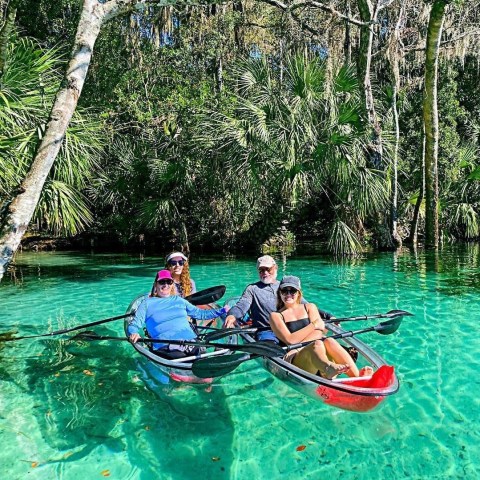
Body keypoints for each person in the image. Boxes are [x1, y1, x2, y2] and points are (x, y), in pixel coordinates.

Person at [270, 275, 373, 379]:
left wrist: (300, 345)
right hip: (295, 359)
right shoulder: (276, 316)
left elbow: (319, 332)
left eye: (292, 291)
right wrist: (313, 325)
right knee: (318, 343)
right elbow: (290, 340)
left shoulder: (310, 307)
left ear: (299, 293)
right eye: (284, 291)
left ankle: (357, 377)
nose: (288, 294)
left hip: (311, 352)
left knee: (329, 340)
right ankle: (328, 369)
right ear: (279, 293)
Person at [128, 270, 227, 359]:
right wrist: (134, 332)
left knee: (200, 352)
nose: (166, 285)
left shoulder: (179, 300)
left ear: (172, 284)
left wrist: (222, 311)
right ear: (155, 284)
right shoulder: (146, 303)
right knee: (189, 360)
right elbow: (134, 324)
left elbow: (200, 314)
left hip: (191, 341)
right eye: (162, 282)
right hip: (165, 346)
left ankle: (208, 361)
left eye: (169, 282)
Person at [224, 255, 311, 343]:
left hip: (291, 327)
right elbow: (242, 305)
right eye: (261, 270)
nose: (265, 273)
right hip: (267, 331)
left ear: (275, 268)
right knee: (271, 348)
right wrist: (232, 315)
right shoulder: (252, 289)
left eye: (268, 269)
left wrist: (322, 316)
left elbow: (305, 305)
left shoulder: (286, 286)